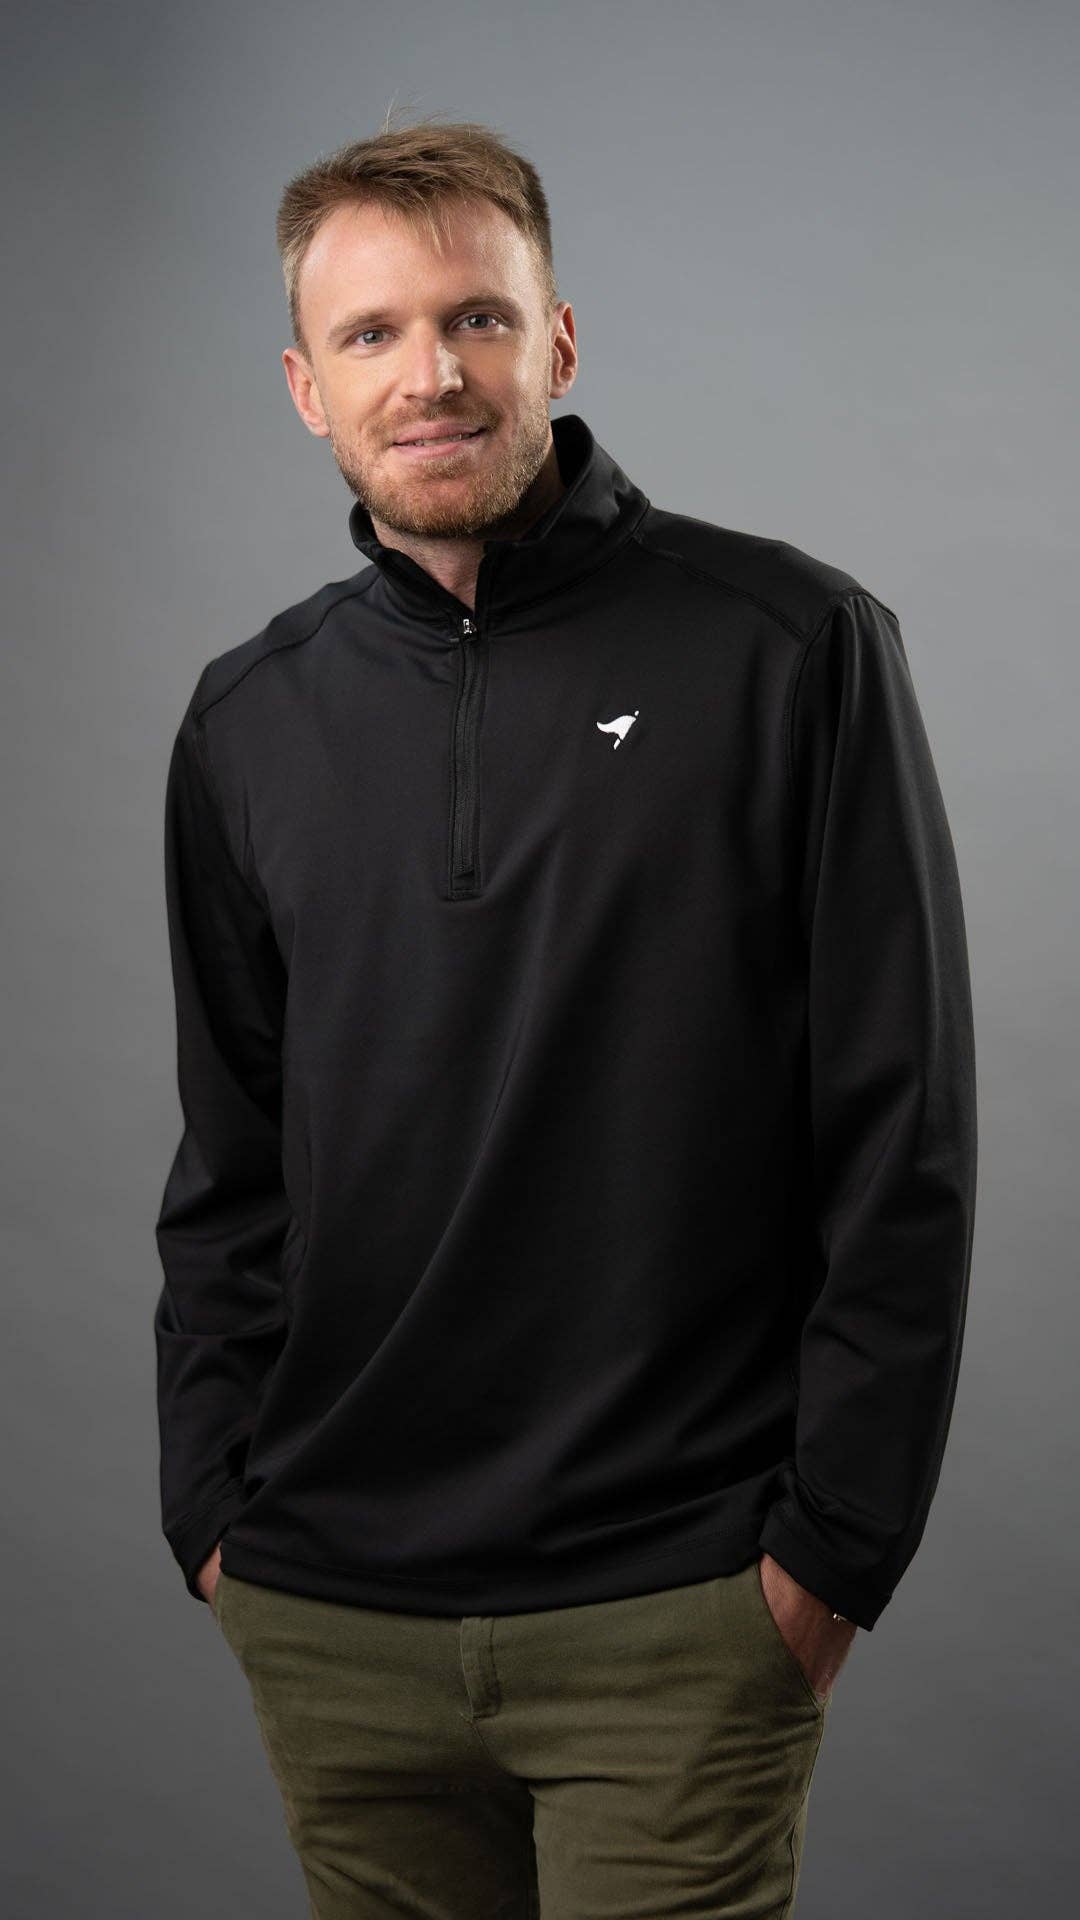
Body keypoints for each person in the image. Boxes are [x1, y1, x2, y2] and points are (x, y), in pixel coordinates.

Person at [153, 115, 978, 1920]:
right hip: (330, 1612)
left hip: (678, 1610)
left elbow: (898, 1137)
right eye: (371, 334)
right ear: (305, 387)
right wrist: (213, 1510)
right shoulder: (247, 722)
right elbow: (231, 1161)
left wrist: (829, 1554)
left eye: (477, 318)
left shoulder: (790, 646)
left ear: (560, 341)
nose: (430, 375)